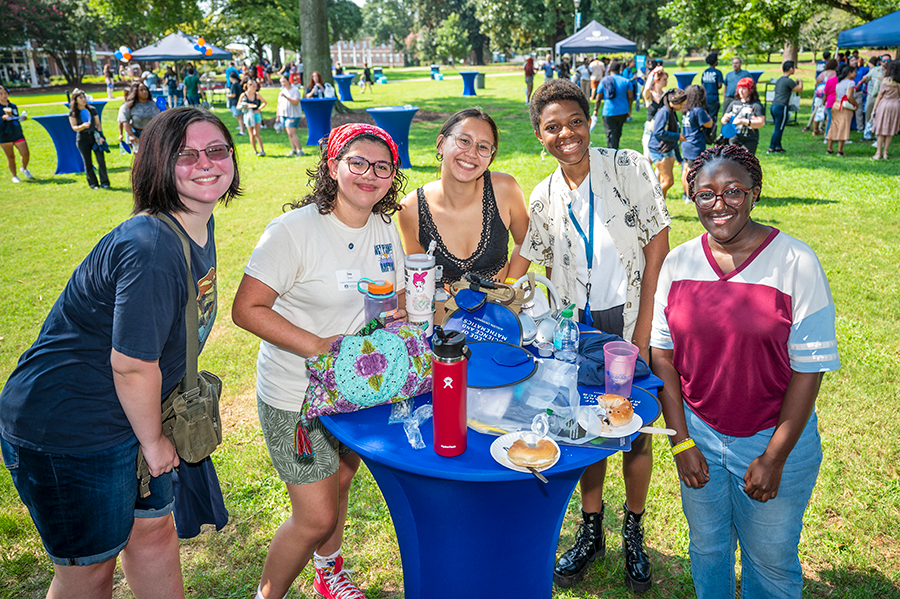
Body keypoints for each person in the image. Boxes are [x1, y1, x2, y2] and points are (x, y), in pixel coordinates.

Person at [0, 106, 239, 599]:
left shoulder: (196, 222)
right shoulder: (151, 243)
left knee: (153, 532)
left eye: (217, 150)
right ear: (156, 163)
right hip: (72, 427)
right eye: (186, 155)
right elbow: (131, 364)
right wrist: (154, 444)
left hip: (134, 417)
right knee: (89, 572)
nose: (206, 163)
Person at [652, 144, 840, 599]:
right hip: (699, 433)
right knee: (708, 550)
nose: (720, 204)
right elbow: (662, 355)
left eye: (733, 191)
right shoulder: (677, 263)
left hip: (771, 438)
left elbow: (808, 371)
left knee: (770, 564)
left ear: (755, 194)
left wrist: (774, 458)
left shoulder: (796, 262)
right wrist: (682, 441)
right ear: (691, 198)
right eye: (706, 194)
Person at [231, 123, 406, 599]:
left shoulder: (386, 227)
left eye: (382, 166)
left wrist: (401, 313)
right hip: (297, 396)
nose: (370, 174)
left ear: (393, 176)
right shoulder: (292, 232)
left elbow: (393, 294)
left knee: (341, 480)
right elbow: (245, 309)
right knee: (315, 516)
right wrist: (317, 345)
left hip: (355, 392)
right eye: (357, 163)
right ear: (333, 167)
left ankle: (329, 573)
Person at [523, 79, 670, 592]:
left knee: (634, 430)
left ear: (589, 121)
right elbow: (522, 264)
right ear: (540, 135)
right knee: (588, 425)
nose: (566, 133)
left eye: (575, 121)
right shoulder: (543, 196)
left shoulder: (628, 166)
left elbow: (657, 247)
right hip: (577, 331)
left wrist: (646, 330)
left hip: (628, 320)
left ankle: (633, 528)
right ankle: (591, 529)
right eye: (552, 127)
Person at [398, 107, 530, 316]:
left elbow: (525, 242)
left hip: (500, 313)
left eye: (483, 147)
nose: (471, 153)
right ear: (441, 144)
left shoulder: (505, 189)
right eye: (464, 141)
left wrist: (511, 287)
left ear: (490, 156)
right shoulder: (410, 209)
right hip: (443, 322)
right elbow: (419, 278)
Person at [650, 87, 687, 199]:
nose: (682, 107)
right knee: (668, 181)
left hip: (668, 150)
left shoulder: (672, 112)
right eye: (681, 104)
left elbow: (673, 131)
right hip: (659, 150)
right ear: (672, 102)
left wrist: (678, 157)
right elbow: (658, 132)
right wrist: (677, 137)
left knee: (663, 181)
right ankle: (650, 200)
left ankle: (662, 211)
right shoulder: (664, 112)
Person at [68, 88, 110, 189]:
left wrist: (100, 136)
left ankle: (105, 182)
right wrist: (82, 126)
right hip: (82, 139)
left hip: (94, 137)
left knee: (101, 160)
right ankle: (93, 183)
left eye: (84, 97)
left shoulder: (92, 109)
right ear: (75, 100)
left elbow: (97, 124)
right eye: (81, 98)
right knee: (88, 162)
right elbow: (74, 127)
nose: (83, 99)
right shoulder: (73, 112)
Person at [680, 85, 713, 202]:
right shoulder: (698, 110)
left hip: (685, 143)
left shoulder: (686, 109)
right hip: (695, 145)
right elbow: (708, 124)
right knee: (692, 172)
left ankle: (686, 193)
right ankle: (690, 195)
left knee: (685, 170)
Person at [594, 60, 634, 150]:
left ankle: (612, 152)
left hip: (609, 112)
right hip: (623, 111)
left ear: (609, 70)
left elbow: (598, 97)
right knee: (618, 132)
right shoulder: (626, 81)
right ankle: (615, 150)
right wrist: (629, 110)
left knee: (610, 134)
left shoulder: (604, 81)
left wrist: (596, 109)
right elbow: (630, 97)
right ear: (619, 70)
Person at [721, 77, 765, 155]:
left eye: (744, 88)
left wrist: (743, 121)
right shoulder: (734, 103)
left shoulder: (756, 105)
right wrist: (725, 119)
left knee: (745, 163)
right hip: (734, 139)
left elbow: (761, 123)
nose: (741, 91)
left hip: (749, 140)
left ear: (750, 90)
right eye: (739, 88)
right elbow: (723, 120)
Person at [767, 61, 803, 154]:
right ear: (791, 68)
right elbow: (800, 89)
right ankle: (771, 148)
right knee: (779, 128)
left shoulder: (780, 80)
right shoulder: (788, 80)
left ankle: (778, 147)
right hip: (781, 107)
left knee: (778, 127)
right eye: (794, 67)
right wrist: (800, 81)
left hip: (774, 106)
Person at [0, 84, 33, 183]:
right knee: (11, 157)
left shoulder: (12, 106)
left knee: (25, 153)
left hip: (16, 133)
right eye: (1, 94)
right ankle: (14, 176)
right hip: (4, 135)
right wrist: (3, 118)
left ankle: (24, 168)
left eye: (5, 93)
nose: (4, 96)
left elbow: (16, 119)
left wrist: (22, 118)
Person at [118, 81, 161, 153]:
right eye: (141, 90)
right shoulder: (128, 106)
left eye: (145, 89)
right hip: (137, 135)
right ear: (135, 92)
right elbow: (124, 121)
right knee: (141, 159)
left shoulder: (154, 103)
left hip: (154, 133)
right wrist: (131, 135)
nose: (145, 91)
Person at [826, 64, 858, 156]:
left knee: (833, 126)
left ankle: (829, 149)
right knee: (843, 128)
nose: (856, 73)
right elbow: (849, 97)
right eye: (854, 72)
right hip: (845, 106)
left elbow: (836, 96)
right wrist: (856, 104)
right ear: (849, 73)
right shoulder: (851, 83)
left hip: (836, 104)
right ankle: (840, 151)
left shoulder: (839, 83)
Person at [870, 60, 899, 159]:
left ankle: (878, 152)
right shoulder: (899, 82)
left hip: (884, 104)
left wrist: (874, 110)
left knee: (881, 129)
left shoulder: (885, 80)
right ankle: (885, 152)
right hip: (895, 104)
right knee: (890, 129)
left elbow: (879, 96)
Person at [641, 66, 669, 159]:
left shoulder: (666, 95)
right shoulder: (650, 95)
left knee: (662, 160)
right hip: (650, 130)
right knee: (647, 161)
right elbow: (647, 89)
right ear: (657, 80)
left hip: (662, 130)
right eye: (664, 79)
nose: (667, 81)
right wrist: (653, 73)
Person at [238, 78, 267, 157]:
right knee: (251, 135)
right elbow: (238, 106)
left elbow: (265, 102)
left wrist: (259, 109)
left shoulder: (257, 94)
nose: (255, 88)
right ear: (248, 86)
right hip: (248, 115)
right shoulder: (243, 95)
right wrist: (244, 106)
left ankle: (262, 150)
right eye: (253, 86)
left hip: (256, 115)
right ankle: (255, 151)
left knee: (256, 133)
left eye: (255, 86)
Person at [277, 75, 305, 157]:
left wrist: (286, 97)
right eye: (281, 82)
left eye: (284, 81)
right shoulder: (282, 91)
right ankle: (294, 150)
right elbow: (279, 104)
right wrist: (278, 116)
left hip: (293, 115)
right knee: (289, 134)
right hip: (284, 115)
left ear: (288, 81)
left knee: (291, 133)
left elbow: (296, 102)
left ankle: (300, 150)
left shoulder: (295, 90)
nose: (283, 83)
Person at [700, 53, 724, 123]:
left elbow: (702, 84)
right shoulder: (718, 72)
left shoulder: (705, 72)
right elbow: (719, 85)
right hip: (713, 98)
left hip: (705, 98)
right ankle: (712, 132)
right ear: (715, 62)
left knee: (705, 117)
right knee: (712, 118)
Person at [820, 59, 840, 138]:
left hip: (829, 102)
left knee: (829, 119)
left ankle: (827, 135)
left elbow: (825, 93)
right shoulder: (840, 81)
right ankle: (830, 136)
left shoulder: (829, 80)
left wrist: (823, 102)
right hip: (837, 102)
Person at [227, 72, 246, 136]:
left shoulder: (234, 85)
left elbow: (234, 95)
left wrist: (228, 95)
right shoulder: (238, 84)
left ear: (231, 78)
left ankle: (242, 131)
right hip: (238, 102)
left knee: (239, 117)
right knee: (240, 117)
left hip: (235, 102)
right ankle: (242, 128)